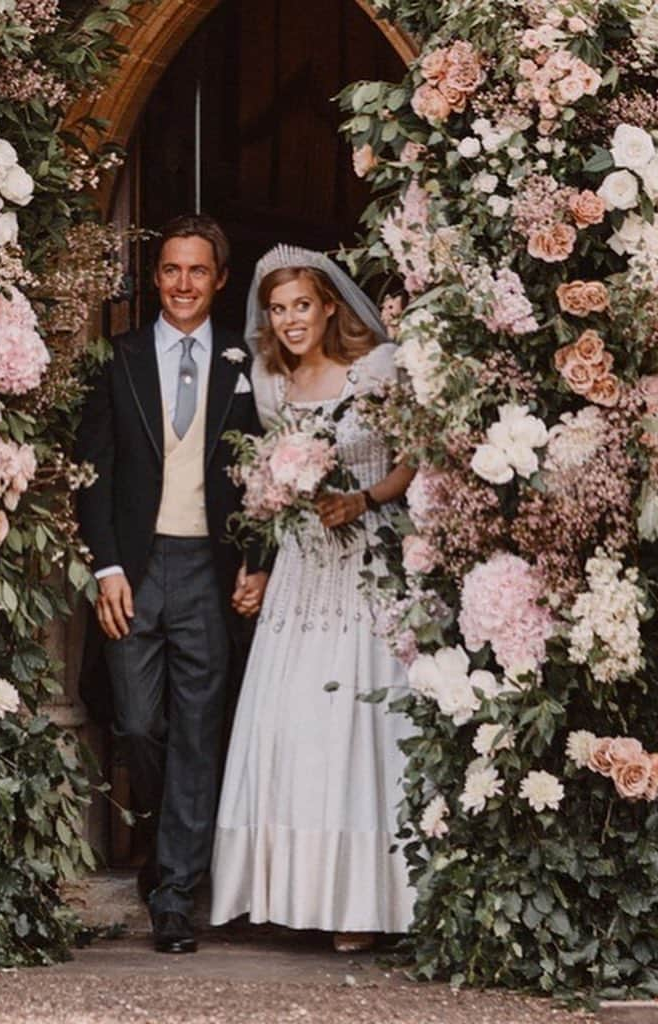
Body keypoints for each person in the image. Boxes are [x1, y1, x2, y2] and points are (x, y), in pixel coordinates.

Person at [210, 245, 416, 951]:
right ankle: (289, 891)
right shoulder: (272, 383)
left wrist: (363, 497)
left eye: (302, 305)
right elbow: (269, 495)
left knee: (359, 727)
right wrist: (256, 565)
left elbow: (412, 457)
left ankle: (364, 902)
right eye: (278, 309)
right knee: (294, 723)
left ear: (330, 305)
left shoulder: (377, 370)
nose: (291, 320)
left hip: (367, 563)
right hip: (301, 570)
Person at [76, 214, 268, 954]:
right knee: (136, 724)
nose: (183, 284)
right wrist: (107, 567)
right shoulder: (119, 359)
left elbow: (264, 477)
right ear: (154, 278)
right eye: (170, 270)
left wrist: (255, 558)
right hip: (137, 565)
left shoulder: (244, 365)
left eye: (198, 271)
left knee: (197, 732)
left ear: (220, 279)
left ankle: (177, 894)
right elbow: (92, 474)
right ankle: (163, 846)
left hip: (207, 571)